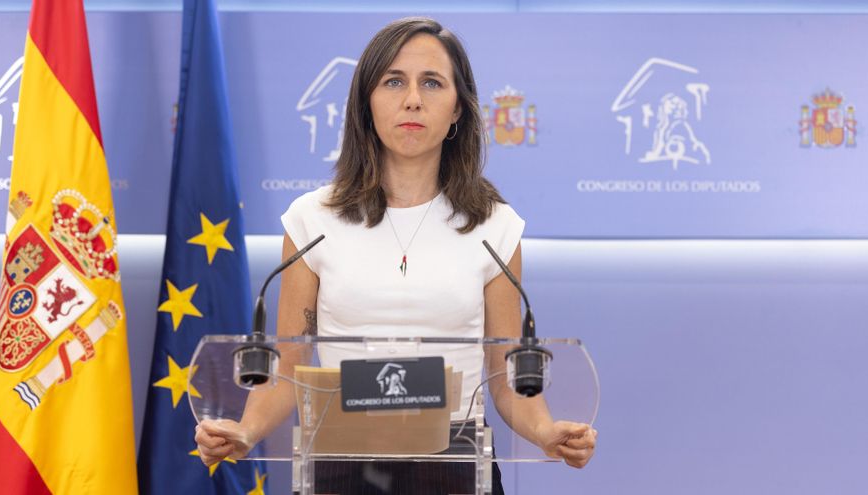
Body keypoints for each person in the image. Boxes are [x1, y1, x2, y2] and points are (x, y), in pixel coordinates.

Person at [195, 17, 597, 493]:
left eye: (432, 82)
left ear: (458, 109)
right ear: (366, 103)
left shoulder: (495, 226)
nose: (412, 99)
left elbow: (506, 376)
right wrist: (245, 431)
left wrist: (546, 432)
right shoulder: (312, 221)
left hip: (456, 465)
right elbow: (287, 367)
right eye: (393, 81)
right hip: (342, 465)